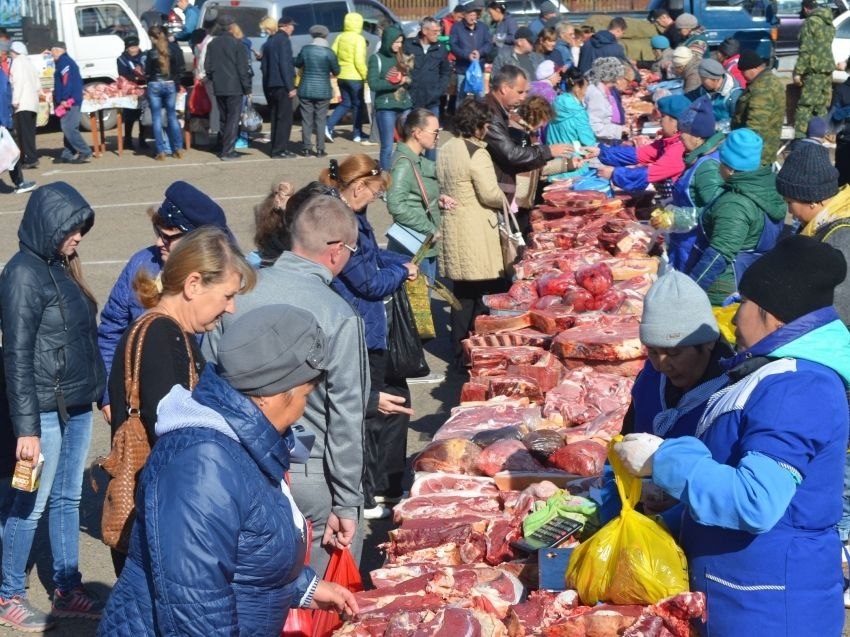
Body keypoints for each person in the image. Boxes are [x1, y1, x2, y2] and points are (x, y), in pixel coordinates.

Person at [614, 234, 850, 637]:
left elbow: (755, 500)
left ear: (771, 314)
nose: (735, 319)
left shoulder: (797, 385)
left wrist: (662, 461)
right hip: (743, 597)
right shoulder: (775, 374)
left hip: (771, 608)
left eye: (743, 305)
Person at [98, 305, 359, 635]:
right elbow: (194, 611)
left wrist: (305, 589)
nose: (303, 410)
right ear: (271, 394)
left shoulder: (241, 446)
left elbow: (246, 552)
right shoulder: (203, 466)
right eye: (305, 395)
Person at [204, 194, 367, 577]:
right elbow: (347, 417)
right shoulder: (339, 315)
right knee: (320, 606)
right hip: (308, 473)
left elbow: (211, 378)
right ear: (336, 250)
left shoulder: (237, 297)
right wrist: (346, 503)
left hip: (235, 463)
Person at [105, 226, 255, 575]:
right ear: (193, 285)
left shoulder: (162, 331)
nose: (231, 308)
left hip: (157, 522)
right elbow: (176, 439)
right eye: (227, 295)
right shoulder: (162, 335)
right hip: (161, 526)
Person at [0, 182, 106, 632]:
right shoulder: (22, 272)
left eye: (81, 227)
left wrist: (101, 395)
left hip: (78, 406)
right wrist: (27, 429)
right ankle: (8, 593)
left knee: (68, 497)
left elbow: (85, 340)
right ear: (51, 224)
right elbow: (16, 353)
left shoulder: (63, 267)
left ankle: (66, 587)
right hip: (42, 413)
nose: (79, 235)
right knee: (29, 501)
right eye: (73, 227)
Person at [320, 155, 418, 519]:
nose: (375, 199)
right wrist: (400, 274)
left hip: (362, 322)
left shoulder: (352, 215)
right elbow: (368, 282)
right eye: (375, 193)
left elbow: (373, 257)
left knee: (374, 405)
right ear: (359, 186)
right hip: (357, 325)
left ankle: (374, 490)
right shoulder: (342, 221)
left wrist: (399, 262)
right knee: (367, 410)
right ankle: (366, 493)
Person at [597, 270, 733, 522]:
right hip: (642, 528)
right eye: (652, 351)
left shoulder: (732, 395)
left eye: (673, 353)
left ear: (708, 344)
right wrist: (612, 516)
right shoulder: (650, 380)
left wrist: (678, 505)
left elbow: (729, 490)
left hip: (698, 535)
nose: (661, 364)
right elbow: (621, 448)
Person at [97, 182, 235, 423]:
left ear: (196, 240)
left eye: (168, 237)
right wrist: (109, 396)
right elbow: (110, 330)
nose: (159, 242)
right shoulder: (142, 264)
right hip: (141, 414)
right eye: (158, 233)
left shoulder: (225, 279)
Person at [437, 98, 511, 364]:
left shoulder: (446, 148)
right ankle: (475, 351)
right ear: (478, 125)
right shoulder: (476, 152)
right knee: (484, 294)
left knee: (461, 295)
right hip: (477, 229)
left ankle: (457, 349)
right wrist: (506, 196)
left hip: (454, 225)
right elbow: (489, 194)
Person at [683, 128, 786, 304]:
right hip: (753, 275)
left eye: (721, 162)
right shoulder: (766, 188)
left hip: (724, 287)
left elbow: (718, 255)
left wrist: (690, 292)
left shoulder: (735, 204)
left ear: (730, 169)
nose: (718, 168)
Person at [484, 64, 572, 217]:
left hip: (510, 193)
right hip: (509, 196)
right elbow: (512, 155)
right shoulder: (495, 116)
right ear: (504, 88)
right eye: (520, 92)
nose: (523, 97)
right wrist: (549, 151)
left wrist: (568, 164)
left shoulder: (503, 114)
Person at [653, 96, 725, 269]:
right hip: (683, 243)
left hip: (694, 248)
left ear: (698, 137)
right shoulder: (696, 157)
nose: (680, 136)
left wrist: (674, 217)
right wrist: (669, 205)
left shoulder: (708, 167)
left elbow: (716, 211)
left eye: (684, 131)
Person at [387, 108, 455, 281]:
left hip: (422, 243)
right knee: (419, 305)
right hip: (415, 246)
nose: (438, 136)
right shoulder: (404, 163)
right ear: (417, 133)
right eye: (435, 132)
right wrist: (430, 228)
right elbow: (396, 204)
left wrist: (437, 200)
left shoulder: (415, 159)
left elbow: (415, 195)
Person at [596, 94, 689, 195]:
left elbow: (649, 173)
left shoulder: (679, 148)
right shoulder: (668, 142)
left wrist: (615, 173)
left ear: (675, 122)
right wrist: (601, 152)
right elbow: (638, 154)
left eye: (663, 117)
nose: (660, 121)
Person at [206, 14, 252, 160]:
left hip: (219, 85)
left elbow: (208, 67)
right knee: (233, 118)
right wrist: (247, 88)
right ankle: (228, 150)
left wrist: (215, 79)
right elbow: (242, 69)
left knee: (223, 118)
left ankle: (223, 147)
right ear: (232, 27)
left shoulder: (212, 44)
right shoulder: (238, 44)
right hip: (234, 86)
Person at [403, 16, 450, 158]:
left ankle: (430, 170)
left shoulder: (441, 49)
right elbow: (401, 67)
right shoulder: (409, 45)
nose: (438, 34)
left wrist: (439, 90)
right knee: (410, 135)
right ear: (424, 31)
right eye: (435, 31)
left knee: (432, 136)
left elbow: (445, 72)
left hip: (432, 100)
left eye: (439, 31)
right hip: (412, 98)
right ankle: (409, 163)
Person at [368, 25, 412, 171]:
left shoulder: (401, 57)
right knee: (387, 146)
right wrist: (394, 83)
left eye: (400, 42)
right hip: (386, 107)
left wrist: (407, 80)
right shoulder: (376, 59)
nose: (399, 45)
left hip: (404, 105)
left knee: (407, 144)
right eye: (396, 42)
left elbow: (411, 79)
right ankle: (386, 179)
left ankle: (405, 173)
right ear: (388, 41)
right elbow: (373, 84)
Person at [732, 50, 786, 167]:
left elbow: (756, 125)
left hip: (756, 154)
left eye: (743, 72)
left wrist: (743, 150)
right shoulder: (770, 80)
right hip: (762, 149)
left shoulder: (762, 88)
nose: (742, 75)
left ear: (754, 68)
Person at [296, 25, 339, 158]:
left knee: (306, 120)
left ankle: (306, 148)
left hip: (306, 89)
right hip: (323, 90)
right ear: (325, 36)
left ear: (312, 36)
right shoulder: (329, 52)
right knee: (321, 120)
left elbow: (297, 63)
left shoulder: (305, 50)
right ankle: (320, 149)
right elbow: (337, 71)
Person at [546, 66, 596, 180]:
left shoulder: (555, 103)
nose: (586, 92)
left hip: (555, 166)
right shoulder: (578, 112)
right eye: (585, 88)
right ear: (577, 88)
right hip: (575, 167)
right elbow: (588, 141)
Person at [794, 0, 835, 138]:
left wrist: (798, 72)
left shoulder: (811, 22)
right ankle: (819, 137)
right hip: (827, 70)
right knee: (821, 107)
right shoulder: (828, 22)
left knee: (805, 106)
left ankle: (800, 140)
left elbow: (806, 50)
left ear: (806, 9)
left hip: (814, 71)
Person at [144, 25, 185, 161]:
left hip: (155, 84)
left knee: (156, 118)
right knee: (172, 116)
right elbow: (178, 69)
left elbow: (148, 72)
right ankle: (178, 148)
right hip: (170, 84)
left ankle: (161, 151)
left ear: (152, 37)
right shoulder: (173, 49)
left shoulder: (151, 53)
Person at [327, 13, 368, 144]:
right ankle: (357, 133)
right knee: (358, 105)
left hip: (341, 76)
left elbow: (332, 54)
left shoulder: (340, 37)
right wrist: (366, 76)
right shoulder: (359, 39)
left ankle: (328, 125)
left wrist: (336, 70)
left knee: (345, 103)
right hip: (355, 77)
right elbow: (359, 60)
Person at [0, 41, 34, 193]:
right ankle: (19, 183)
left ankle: (19, 182)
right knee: (12, 152)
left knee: (10, 152)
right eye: (4, 53)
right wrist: (5, 120)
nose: (6, 56)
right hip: (2, 118)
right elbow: (2, 95)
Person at [51, 42, 91, 164]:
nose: (51, 54)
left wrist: (64, 98)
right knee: (68, 126)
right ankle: (68, 153)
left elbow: (66, 80)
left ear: (58, 51)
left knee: (69, 127)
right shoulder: (64, 62)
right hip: (70, 99)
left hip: (70, 100)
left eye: (52, 51)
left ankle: (84, 151)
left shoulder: (64, 62)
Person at [685, 58, 742, 128]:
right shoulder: (704, 89)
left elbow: (738, 121)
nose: (701, 82)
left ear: (715, 79)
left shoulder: (734, 96)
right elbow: (689, 97)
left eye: (704, 79)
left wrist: (717, 126)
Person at [449, 3, 491, 98]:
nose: (473, 18)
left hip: (479, 68)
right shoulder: (457, 28)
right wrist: (467, 55)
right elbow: (453, 46)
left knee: (480, 95)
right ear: (465, 15)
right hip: (463, 68)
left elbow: (488, 44)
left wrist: (480, 52)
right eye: (470, 15)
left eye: (474, 15)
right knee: (461, 96)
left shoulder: (483, 27)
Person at [9, 41, 40, 167]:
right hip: (33, 103)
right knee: (30, 133)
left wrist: (15, 101)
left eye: (11, 51)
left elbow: (18, 83)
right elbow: (38, 85)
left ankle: (30, 159)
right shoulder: (29, 63)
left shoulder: (17, 62)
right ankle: (32, 157)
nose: (10, 54)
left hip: (23, 103)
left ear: (15, 52)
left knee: (23, 133)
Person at [584, 56, 626, 142]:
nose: (616, 82)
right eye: (614, 80)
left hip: (602, 140)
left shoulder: (601, 90)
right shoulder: (596, 94)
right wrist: (620, 130)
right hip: (597, 142)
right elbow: (596, 127)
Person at [115, 36, 147, 151]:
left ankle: (142, 138)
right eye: (131, 47)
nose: (134, 50)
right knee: (130, 115)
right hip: (129, 90)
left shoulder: (144, 57)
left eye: (136, 47)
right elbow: (122, 74)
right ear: (127, 48)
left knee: (143, 114)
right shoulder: (121, 59)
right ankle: (127, 140)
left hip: (144, 89)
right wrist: (135, 77)